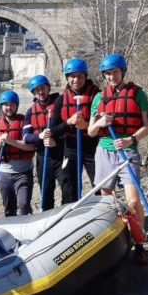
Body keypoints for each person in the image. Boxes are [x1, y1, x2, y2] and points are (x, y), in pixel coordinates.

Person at [87, 53, 148, 265]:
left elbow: (146, 127)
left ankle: (140, 242)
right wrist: (100, 123)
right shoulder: (99, 97)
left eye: (115, 72)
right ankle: (117, 238)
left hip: (128, 151)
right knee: (109, 202)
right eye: (107, 73)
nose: (111, 77)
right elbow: (90, 131)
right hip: (104, 152)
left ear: (122, 72)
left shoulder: (137, 94)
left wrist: (130, 139)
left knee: (133, 200)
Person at [50, 58, 100, 204]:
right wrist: (68, 122)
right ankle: (69, 213)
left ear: (85, 76)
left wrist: (87, 125)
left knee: (99, 184)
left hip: (93, 147)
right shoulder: (61, 99)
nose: (76, 80)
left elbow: (104, 125)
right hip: (71, 147)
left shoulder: (97, 95)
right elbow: (53, 130)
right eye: (72, 76)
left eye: (80, 76)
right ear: (67, 78)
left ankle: (103, 212)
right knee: (69, 187)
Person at [0, 90, 36, 216]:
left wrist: (11, 141)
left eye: (12, 104)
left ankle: (26, 226)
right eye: (6, 105)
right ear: (1, 107)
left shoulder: (25, 122)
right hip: (4, 173)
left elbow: (31, 146)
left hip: (23, 172)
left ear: (17, 106)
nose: (9, 108)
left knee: (24, 204)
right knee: (9, 208)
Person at [23, 75, 68, 211]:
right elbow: (26, 138)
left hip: (61, 155)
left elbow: (69, 127)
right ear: (33, 93)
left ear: (48, 87)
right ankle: (48, 216)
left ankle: (67, 214)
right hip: (43, 157)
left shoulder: (60, 103)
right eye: (36, 90)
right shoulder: (31, 111)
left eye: (42, 88)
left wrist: (58, 141)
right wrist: (40, 136)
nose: (40, 92)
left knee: (67, 188)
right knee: (46, 192)